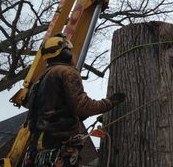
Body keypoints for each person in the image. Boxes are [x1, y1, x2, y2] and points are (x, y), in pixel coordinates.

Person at [23, 33, 125, 166]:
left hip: (40, 144)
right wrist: (110, 102)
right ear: (64, 52)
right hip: (58, 143)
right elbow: (83, 106)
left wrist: (79, 117)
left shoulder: (41, 79)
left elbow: (53, 110)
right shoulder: (67, 72)